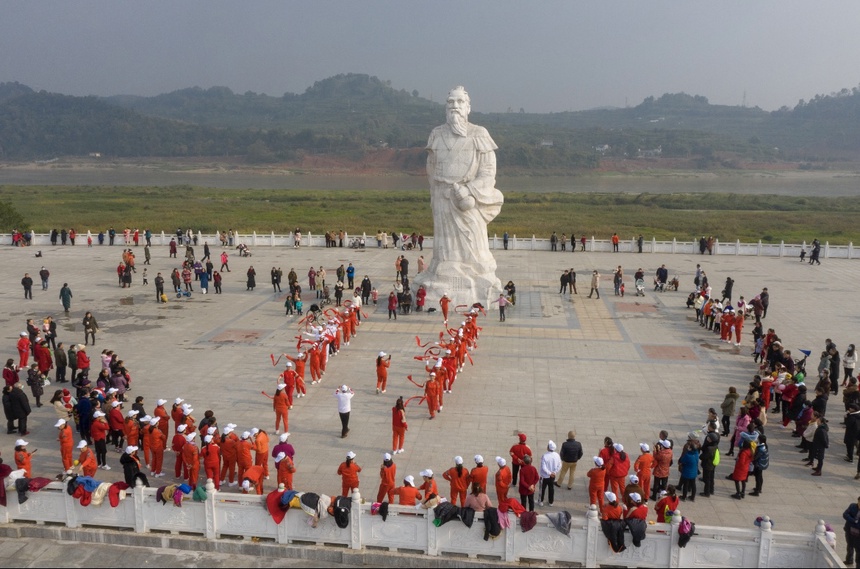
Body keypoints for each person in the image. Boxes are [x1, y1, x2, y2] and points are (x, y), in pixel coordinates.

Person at [415, 86, 504, 307]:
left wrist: (469, 190)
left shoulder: (479, 133)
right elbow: (431, 167)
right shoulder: (436, 134)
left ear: (468, 107)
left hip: (467, 202)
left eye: (459, 102)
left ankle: (476, 277)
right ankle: (442, 271)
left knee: (472, 245)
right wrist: (438, 191)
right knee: (445, 248)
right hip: (442, 199)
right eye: (450, 102)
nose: (455, 106)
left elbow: (488, 172)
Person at [538, 441, 561, 507]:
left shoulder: (545, 456)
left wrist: (549, 473)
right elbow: (559, 465)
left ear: (548, 447)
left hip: (544, 476)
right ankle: (551, 502)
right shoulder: (557, 455)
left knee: (542, 489)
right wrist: (554, 472)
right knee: (551, 489)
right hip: (552, 476)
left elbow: (543, 467)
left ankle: (541, 501)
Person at [843, 496, 860, 566]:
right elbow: (845, 514)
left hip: (858, 535)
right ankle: (849, 560)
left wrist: (854, 523)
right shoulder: (852, 506)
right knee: (849, 545)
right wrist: (854, 521)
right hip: (849, 531)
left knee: (858, 550)